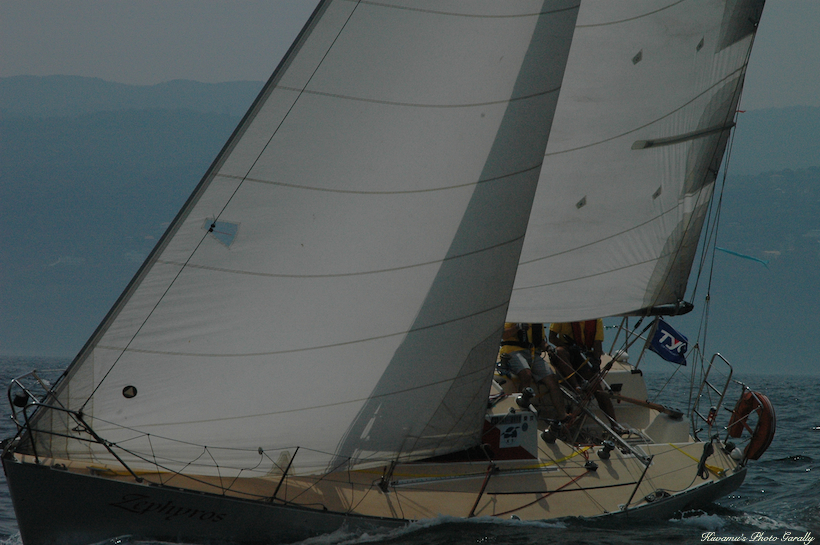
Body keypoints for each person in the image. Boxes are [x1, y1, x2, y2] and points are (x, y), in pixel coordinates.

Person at [548, 320, 619, 427]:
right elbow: (552, 338)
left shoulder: (596, 320)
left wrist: (596, 362)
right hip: (567, 352)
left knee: (598, 389)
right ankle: (576, 386)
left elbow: (597, 343)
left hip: (584, 355)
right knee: (559, 351)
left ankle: (615, 425)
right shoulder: (563, 314)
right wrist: (569, 347)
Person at [499, 323, 567, 422]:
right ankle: (520, 411)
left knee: (552, 379)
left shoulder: (537, 321)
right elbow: (503, 334)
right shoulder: (515, 318)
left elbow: (540, 341)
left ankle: (562, 415)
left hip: (533, 354)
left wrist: (548, 347)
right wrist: (518, 327)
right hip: (513, 351)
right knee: (526, 375)